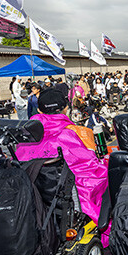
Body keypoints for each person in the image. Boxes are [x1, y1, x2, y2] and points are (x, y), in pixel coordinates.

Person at [15, 89, 108, 222]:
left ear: (39, 110)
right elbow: (92, 167)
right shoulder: (78, 132)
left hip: (32, 196)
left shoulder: (24, 136)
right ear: (66, 108)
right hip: (66, 195)